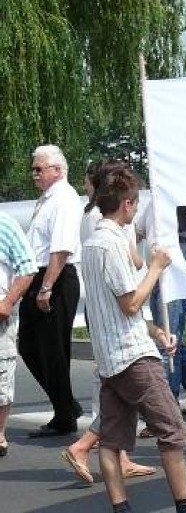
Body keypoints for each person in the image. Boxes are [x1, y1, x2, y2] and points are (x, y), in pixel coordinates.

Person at [80, 166, 186, 513]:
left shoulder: (91, 244)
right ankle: (185, 505)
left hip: (109, 356)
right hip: (132, 356)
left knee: (112, 437)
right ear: (128, 205)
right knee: (172, 430)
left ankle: (121, 508)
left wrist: (157, 331)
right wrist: (156, 267)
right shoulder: (111, 243)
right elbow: (130, 302)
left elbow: (118, 306)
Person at [62, 160, 155, 484]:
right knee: (125, 392)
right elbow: (134, 261)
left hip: (104, 314)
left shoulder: (92, 218)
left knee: (115, 391)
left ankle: (114, 455)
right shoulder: (108, 225)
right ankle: (88, 446)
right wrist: (155, 267)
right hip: (119, 316)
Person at [20, 144, 84, 437]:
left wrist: (46, 288)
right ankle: (66, 404)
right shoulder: (48, 199)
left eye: (39, 169)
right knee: (31, 347)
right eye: (33, 168)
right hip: (40, 277)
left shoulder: (64, 200)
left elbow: (61, 248)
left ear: (57, 170)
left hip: (54, 278)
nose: (34, 174)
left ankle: (64, 415)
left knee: (53, 350)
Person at [136, 201, 186, 411]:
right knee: (173, 343)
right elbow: (138, 231)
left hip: (172, 279)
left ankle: (167, 407)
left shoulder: (175, 198)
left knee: (167, 345)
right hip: (156, 277)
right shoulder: (154, 201)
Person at [0, 211, 38, 457]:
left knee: (1, 373)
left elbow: (28, 266)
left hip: (0, 310)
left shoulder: (5, 224)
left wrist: (8, 302)